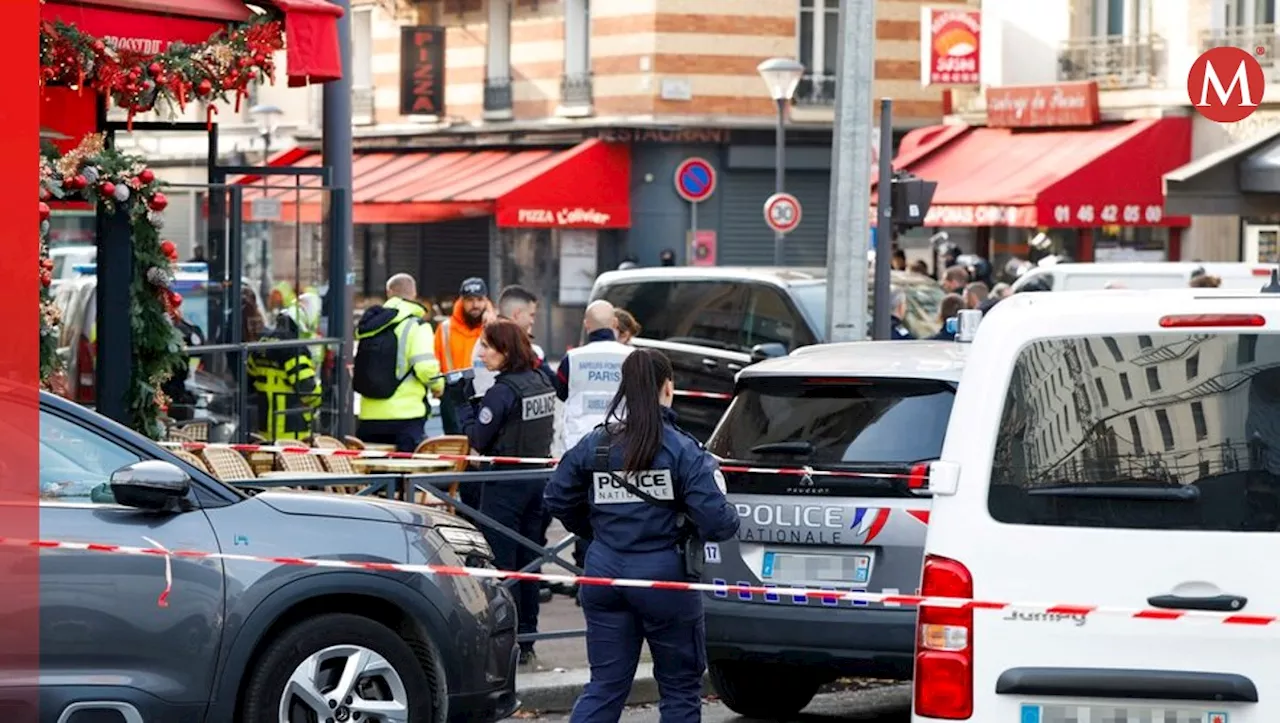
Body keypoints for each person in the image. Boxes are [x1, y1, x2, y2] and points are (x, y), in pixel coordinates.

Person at [544, 348, 740, 723]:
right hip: (665, 580)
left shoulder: (596, 443)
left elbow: (557, 498)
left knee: (604, 686)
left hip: (603, 573)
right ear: (668, 388)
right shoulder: (683, 450)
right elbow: (719, 523)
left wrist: (597, 532)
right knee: (680, 691)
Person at [455, 318, 557, 667]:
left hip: (505, 484)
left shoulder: (503, 391)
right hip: (538, 482)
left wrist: (466, 407)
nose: (481, 353)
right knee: (530, 564)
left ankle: (504, 642)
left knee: (501, 564)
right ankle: (527, 637)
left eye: (487, 346)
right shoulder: (540, 381)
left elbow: (480, 440)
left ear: (506, 350)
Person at [554, 300, 635, 589]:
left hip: (581, 449)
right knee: (619, 511)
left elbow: (561, 393)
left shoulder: (572, 359)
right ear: (614, 324)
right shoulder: (633, 356)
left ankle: (585, 578)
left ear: (586, 325)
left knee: (585, 511)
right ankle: (614, 578)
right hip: (623, 447)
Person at [354, 274, 444, 452]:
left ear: (389, 293)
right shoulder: (417, 326)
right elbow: (425, 367)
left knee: (375, 476)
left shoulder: (370, 326)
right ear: (414, 293)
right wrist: (438, 386)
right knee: (406, 477)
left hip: (368, 417)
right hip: (406, 418)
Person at [247, 310, 321, 441]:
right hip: (291, 424)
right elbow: (307, 388)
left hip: (265, 421)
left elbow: (250, 375)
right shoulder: (293, 348)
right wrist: (320, 399)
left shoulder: (261, 345)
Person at [436, 278, 492, 434]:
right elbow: (436, 363)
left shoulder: (494, 327)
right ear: (461, 301)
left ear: (486, 300)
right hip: (455, 394)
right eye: (470, 300)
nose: (475, 305)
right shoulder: (445, 329)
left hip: (486, 392)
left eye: (479, 299)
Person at [471, 285, 547, 398]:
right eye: (531, 315)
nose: (532, 321)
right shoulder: (530, 351)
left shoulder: (481, 344)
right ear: (516, 314)